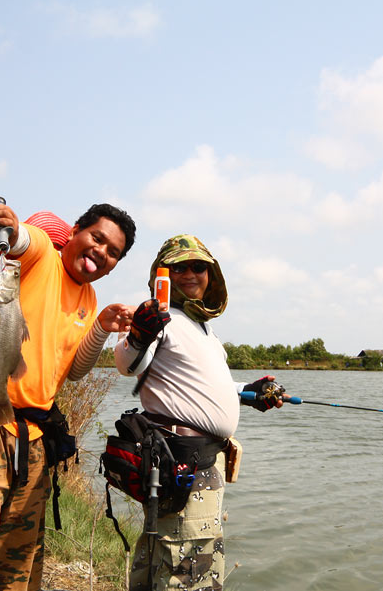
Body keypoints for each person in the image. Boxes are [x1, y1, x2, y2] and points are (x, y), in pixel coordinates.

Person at [0, 202, 137, 591]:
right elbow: (24, 242)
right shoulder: (39, 259)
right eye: (97, 238)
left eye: (113, 252)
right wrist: (13, 228)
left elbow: (72, 371)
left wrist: (102, 326)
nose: (101, 252)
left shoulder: (88, 299)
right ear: (74, 232)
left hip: (32, 436)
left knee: (18, 558)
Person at [114, 234, 285, 591]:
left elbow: (201, 388)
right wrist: (139, 335)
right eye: (179, 267)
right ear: (163, 274)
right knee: (188, 573)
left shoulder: (202, 328)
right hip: (183, 463)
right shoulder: (159, 318)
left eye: (199, 267)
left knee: (164, 564)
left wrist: (248, 393)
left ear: (211, 275)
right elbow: (128, 363)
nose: (190, 274)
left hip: (202, 466)